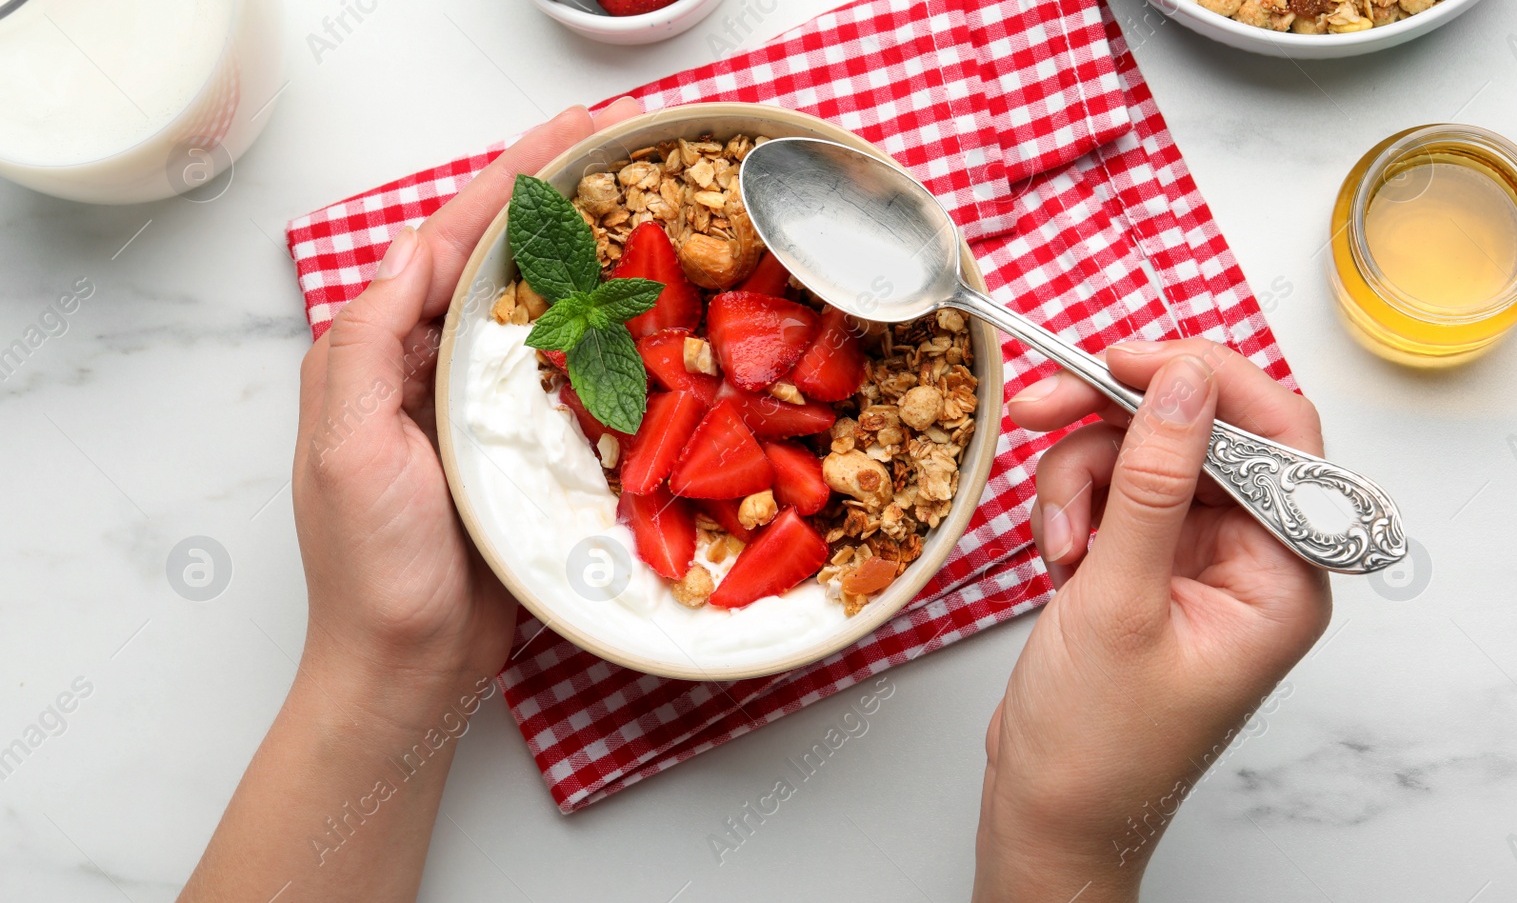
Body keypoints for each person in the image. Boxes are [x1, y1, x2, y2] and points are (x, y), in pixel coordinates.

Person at [177, 103, 1331, 903]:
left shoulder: (722, 399)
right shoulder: (664, 410)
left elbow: (707, 428)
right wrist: (1062, 841)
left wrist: (385, 666)